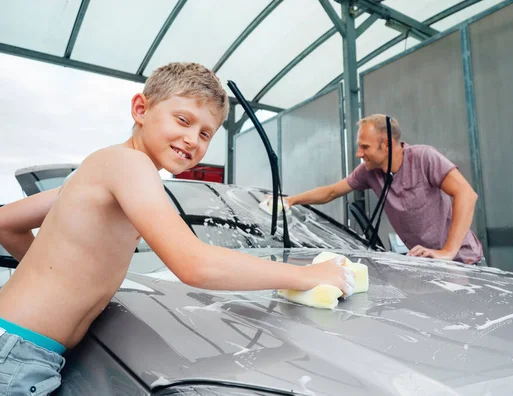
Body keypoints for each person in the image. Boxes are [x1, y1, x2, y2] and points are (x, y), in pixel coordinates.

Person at [0, 62, 354, 394]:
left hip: (16, 342)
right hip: (19, 354)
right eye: (183, 120)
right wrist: (307, 276)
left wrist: (62, 276)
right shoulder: (129, 164)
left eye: (205, 134)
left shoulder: (93, 172)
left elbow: (6, 224)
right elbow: (193, 264)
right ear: (141, 110)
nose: (192, 139)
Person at [285, 114, 484, 264]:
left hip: (463, 262)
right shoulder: (369, 172)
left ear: (386, 145)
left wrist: (448, 251)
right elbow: (331, 192)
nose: (358, 153)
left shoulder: (424, 158)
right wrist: (290, 200)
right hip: (428, 264)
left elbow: (466, 194)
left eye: (365, 147)